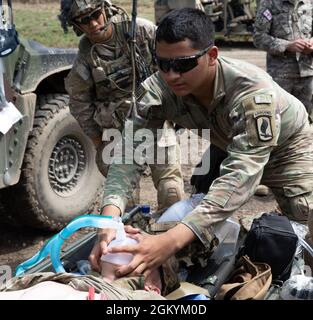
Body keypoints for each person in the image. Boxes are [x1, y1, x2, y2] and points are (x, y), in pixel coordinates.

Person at [89, 7, 313, 279]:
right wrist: (109, 219)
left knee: (303, 233)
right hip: (229, 142)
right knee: (200, 217)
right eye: (163, 63)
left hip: (286, 151)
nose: (171, 75)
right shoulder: (159, 89)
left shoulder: (253, 95)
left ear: (211, 56)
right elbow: (129, 153)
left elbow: (240, 178)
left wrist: (169, 242)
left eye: (183, 64)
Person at [59, 0, 184, 210]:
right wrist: (98, 141)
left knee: (171, 189)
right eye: (83, 20)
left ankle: (171, 237)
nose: (92, 23)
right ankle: (130, 235)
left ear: (105, 9)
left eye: (95, 14)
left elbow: (176, 59)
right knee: (120, 200)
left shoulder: (142, 31)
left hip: (155, 121)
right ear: (76, 26)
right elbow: (79, 101)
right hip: (116, 131)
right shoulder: (86, 57)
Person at [0, 236, 179, 300]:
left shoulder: (140, 298)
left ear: (153, 288)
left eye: (146, 252)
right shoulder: (73, 278)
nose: (127, 238)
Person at [253, 0, 313, 118]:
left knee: (305, 120)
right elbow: (259, 37)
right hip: (281, 75)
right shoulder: (269, 3)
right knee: (279, 120)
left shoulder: (310, 3)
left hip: (308, 74)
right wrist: (287, 46)